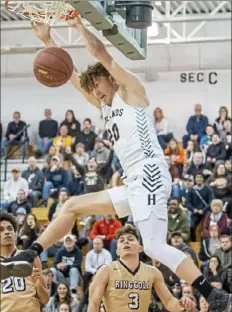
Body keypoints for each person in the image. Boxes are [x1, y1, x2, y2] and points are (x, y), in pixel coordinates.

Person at [1, 18, 231, 312]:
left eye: (97, 84)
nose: (96, 92)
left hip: (149, 172)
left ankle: (216, 298)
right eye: (93, 90)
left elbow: (102, 54)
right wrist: (48, 40)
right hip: (133, 181)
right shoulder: (106, 106)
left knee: (154, 247)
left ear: (110, 78)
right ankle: (29, 252)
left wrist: (80, 27)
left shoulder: (131, 91)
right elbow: (69, 74)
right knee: (71, 205)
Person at [88, 225, 194, 312]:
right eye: (122, 240)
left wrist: (181, 305)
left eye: (130, 239)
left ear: (140, 248)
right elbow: (93, 304)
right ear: (117, 251)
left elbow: (169, 301)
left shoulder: (152, 272)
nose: (126, 242)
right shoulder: (106, 271)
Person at [0, 211, 49, 311]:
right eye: (1, 230)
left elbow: (45, 299)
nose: (7, 232)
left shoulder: (31, 257)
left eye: (10, 228)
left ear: (16, 233)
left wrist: (38, 286)